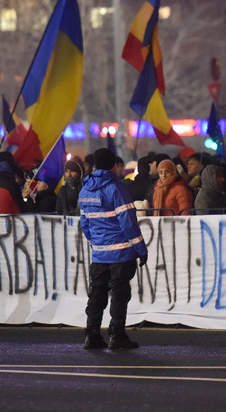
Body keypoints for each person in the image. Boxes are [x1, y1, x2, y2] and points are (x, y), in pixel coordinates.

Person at [79, 148, 147, 350]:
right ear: (113, 165)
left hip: (99, 254)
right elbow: (128, 223)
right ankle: (117, 336)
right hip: (121, 252)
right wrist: (140, 249)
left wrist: (96, 244)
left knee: (97, 294)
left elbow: (85, 224)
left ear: (95, 164)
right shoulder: (116, 188)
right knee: (119, 294)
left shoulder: (85, 190)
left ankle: (91, 335)